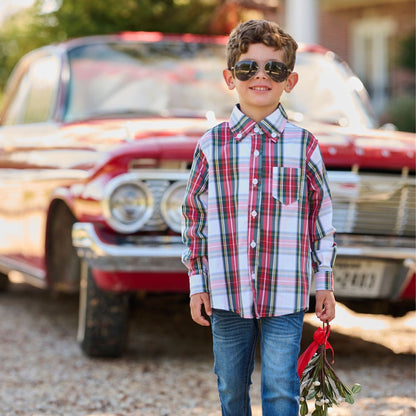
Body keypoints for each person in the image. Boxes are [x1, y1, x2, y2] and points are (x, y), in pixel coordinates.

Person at [182, 19, 336, 416]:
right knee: (231, 388)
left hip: (285, 293)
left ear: (291, 79)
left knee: (281, 388)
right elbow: (193, 217)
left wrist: (324, 283)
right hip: (225, 292)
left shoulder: (303, 145)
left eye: (274, 68)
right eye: (249, 68)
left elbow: (322, 218)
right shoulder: (211, 144)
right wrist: (197, 283)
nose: (261, 76)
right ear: (230, 77)